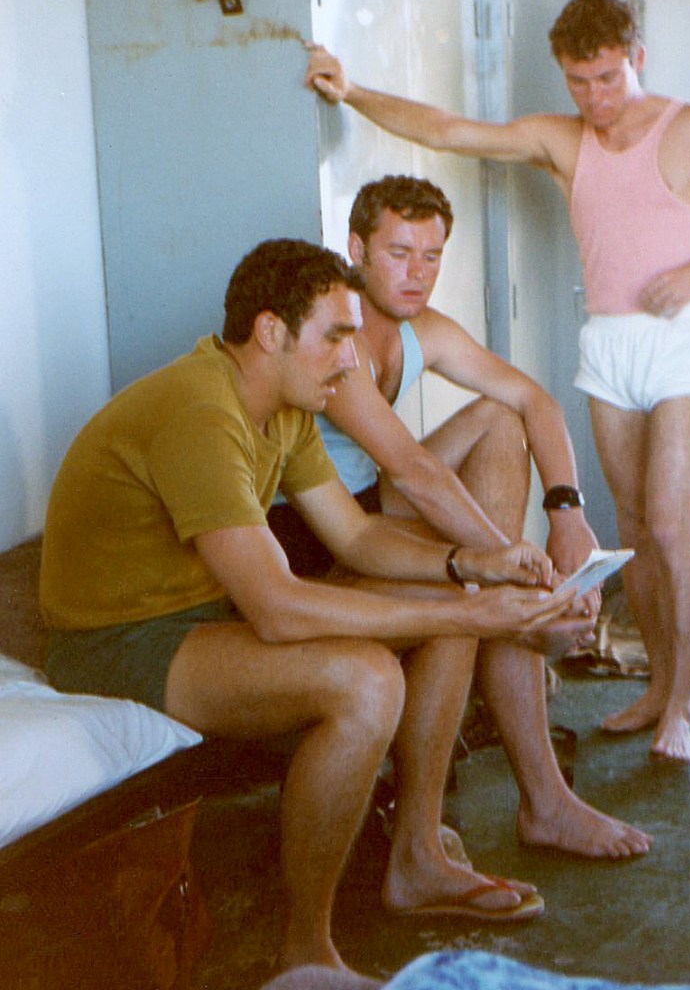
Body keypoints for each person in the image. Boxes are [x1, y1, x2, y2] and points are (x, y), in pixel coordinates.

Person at [39, 239, 580, 977]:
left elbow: (355, 537)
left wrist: (471, 566)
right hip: (117, 641)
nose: (351, 360)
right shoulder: (201, 408)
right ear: (271, 332)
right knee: (367, 682)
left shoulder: (285, 408)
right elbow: (278, 610)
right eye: (335, 336)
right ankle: (306, 953)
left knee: (454, 596)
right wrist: (471, 618)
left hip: (205, 615)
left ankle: (418, 855)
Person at [303, 0, 690, 763]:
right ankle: (654, 684)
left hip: (684, 339)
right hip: (610, 342)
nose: (594, 99)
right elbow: (450, 130)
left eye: (608, 78)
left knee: (671, 525)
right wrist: (354, 90)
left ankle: (679, 707)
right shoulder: (563, 140)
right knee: (632, 526)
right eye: (578, 82)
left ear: (637, 59)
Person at [268, 175, 652, 859]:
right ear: (357, 249)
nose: (417, 274)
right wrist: (519, 570)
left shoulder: (425, 331)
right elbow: (413, 470)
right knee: (474, 589)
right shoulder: (336, 340)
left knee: (502, 418)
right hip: (311, 533)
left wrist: (566, 514)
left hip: (369, 505)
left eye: (432, 256)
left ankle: (545, 802)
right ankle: (519, 802)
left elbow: (537, 402)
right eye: (399, 253)